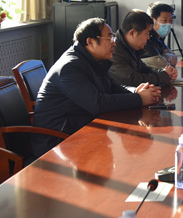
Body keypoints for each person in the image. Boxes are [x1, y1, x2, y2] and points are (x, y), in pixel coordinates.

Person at [33, 18, 161, 157]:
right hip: (58, 142)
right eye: (109, 38)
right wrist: (139, 99)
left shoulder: (92, 60)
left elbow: (112, 87)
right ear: (90, 42)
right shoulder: (69, 67)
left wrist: (136, 92)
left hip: (81, 130)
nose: (114, 43)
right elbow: (96, 103)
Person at [109, 9, 178, 87]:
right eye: (147, 34)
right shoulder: (114, 51)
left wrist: (163, 72)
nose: (148, 38)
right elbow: (132, 80)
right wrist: (162, 76)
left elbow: (144, 70)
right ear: (133, 33)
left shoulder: (131, 47)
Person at [141, 1, 178, 70]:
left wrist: (163, 58)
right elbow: (162, 64)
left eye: (170, 21)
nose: (168, 24)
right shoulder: (146, 37)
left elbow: (174, 58)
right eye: (164, 20)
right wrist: (165, 58)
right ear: (153, 20)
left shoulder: (158, 35)